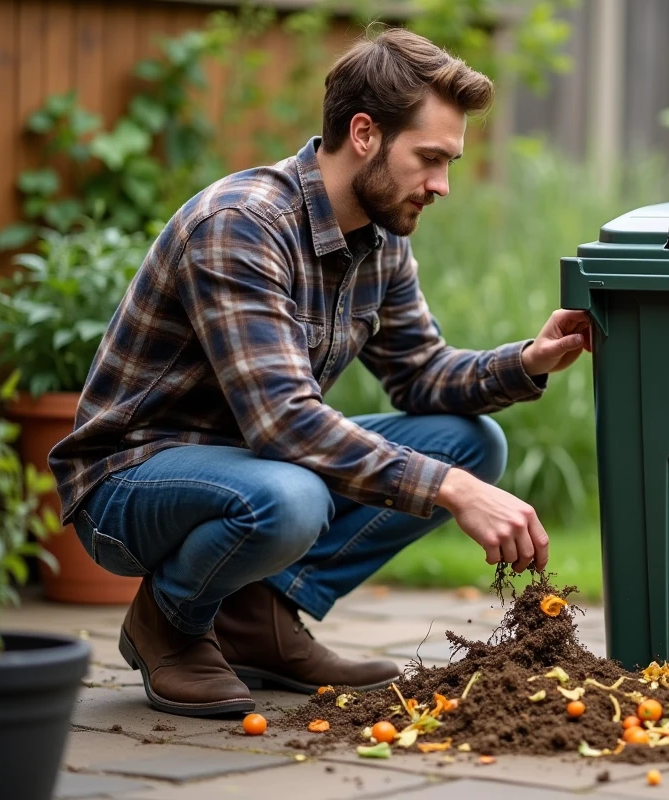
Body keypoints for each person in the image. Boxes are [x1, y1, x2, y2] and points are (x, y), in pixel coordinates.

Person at [48, 26, 591, 718]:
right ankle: (169, 623)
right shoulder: (242, 224)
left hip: (252, 463)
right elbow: (283, 422)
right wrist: (451, 493)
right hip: (130, 480)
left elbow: (420, 374)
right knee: (294, 495)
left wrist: (526, 360)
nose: (442, 185)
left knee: (472, 443)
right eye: (429, 158)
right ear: (364, 133)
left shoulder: (379, 237)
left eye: (449, 162)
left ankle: (258, 619)